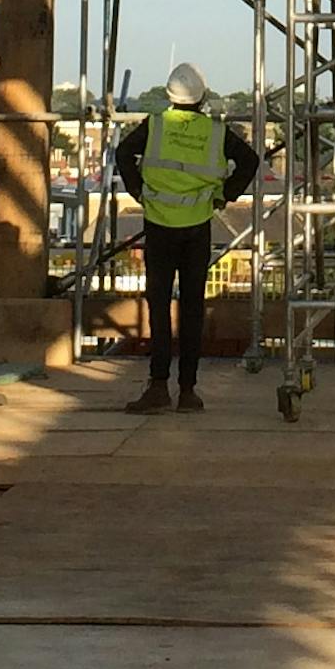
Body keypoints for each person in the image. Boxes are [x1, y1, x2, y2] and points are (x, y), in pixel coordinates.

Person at [110, 61, 257, 413]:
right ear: (202, 96)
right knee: (192, 308)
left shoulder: (156, 125)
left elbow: (122, 153)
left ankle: (158, 385)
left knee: (159, 307)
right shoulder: (216, 132)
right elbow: (249, 161)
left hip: (160, 225)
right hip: (197, 226)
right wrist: (225, 194)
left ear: (169, 96)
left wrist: (139, 191)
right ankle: (188, 390)